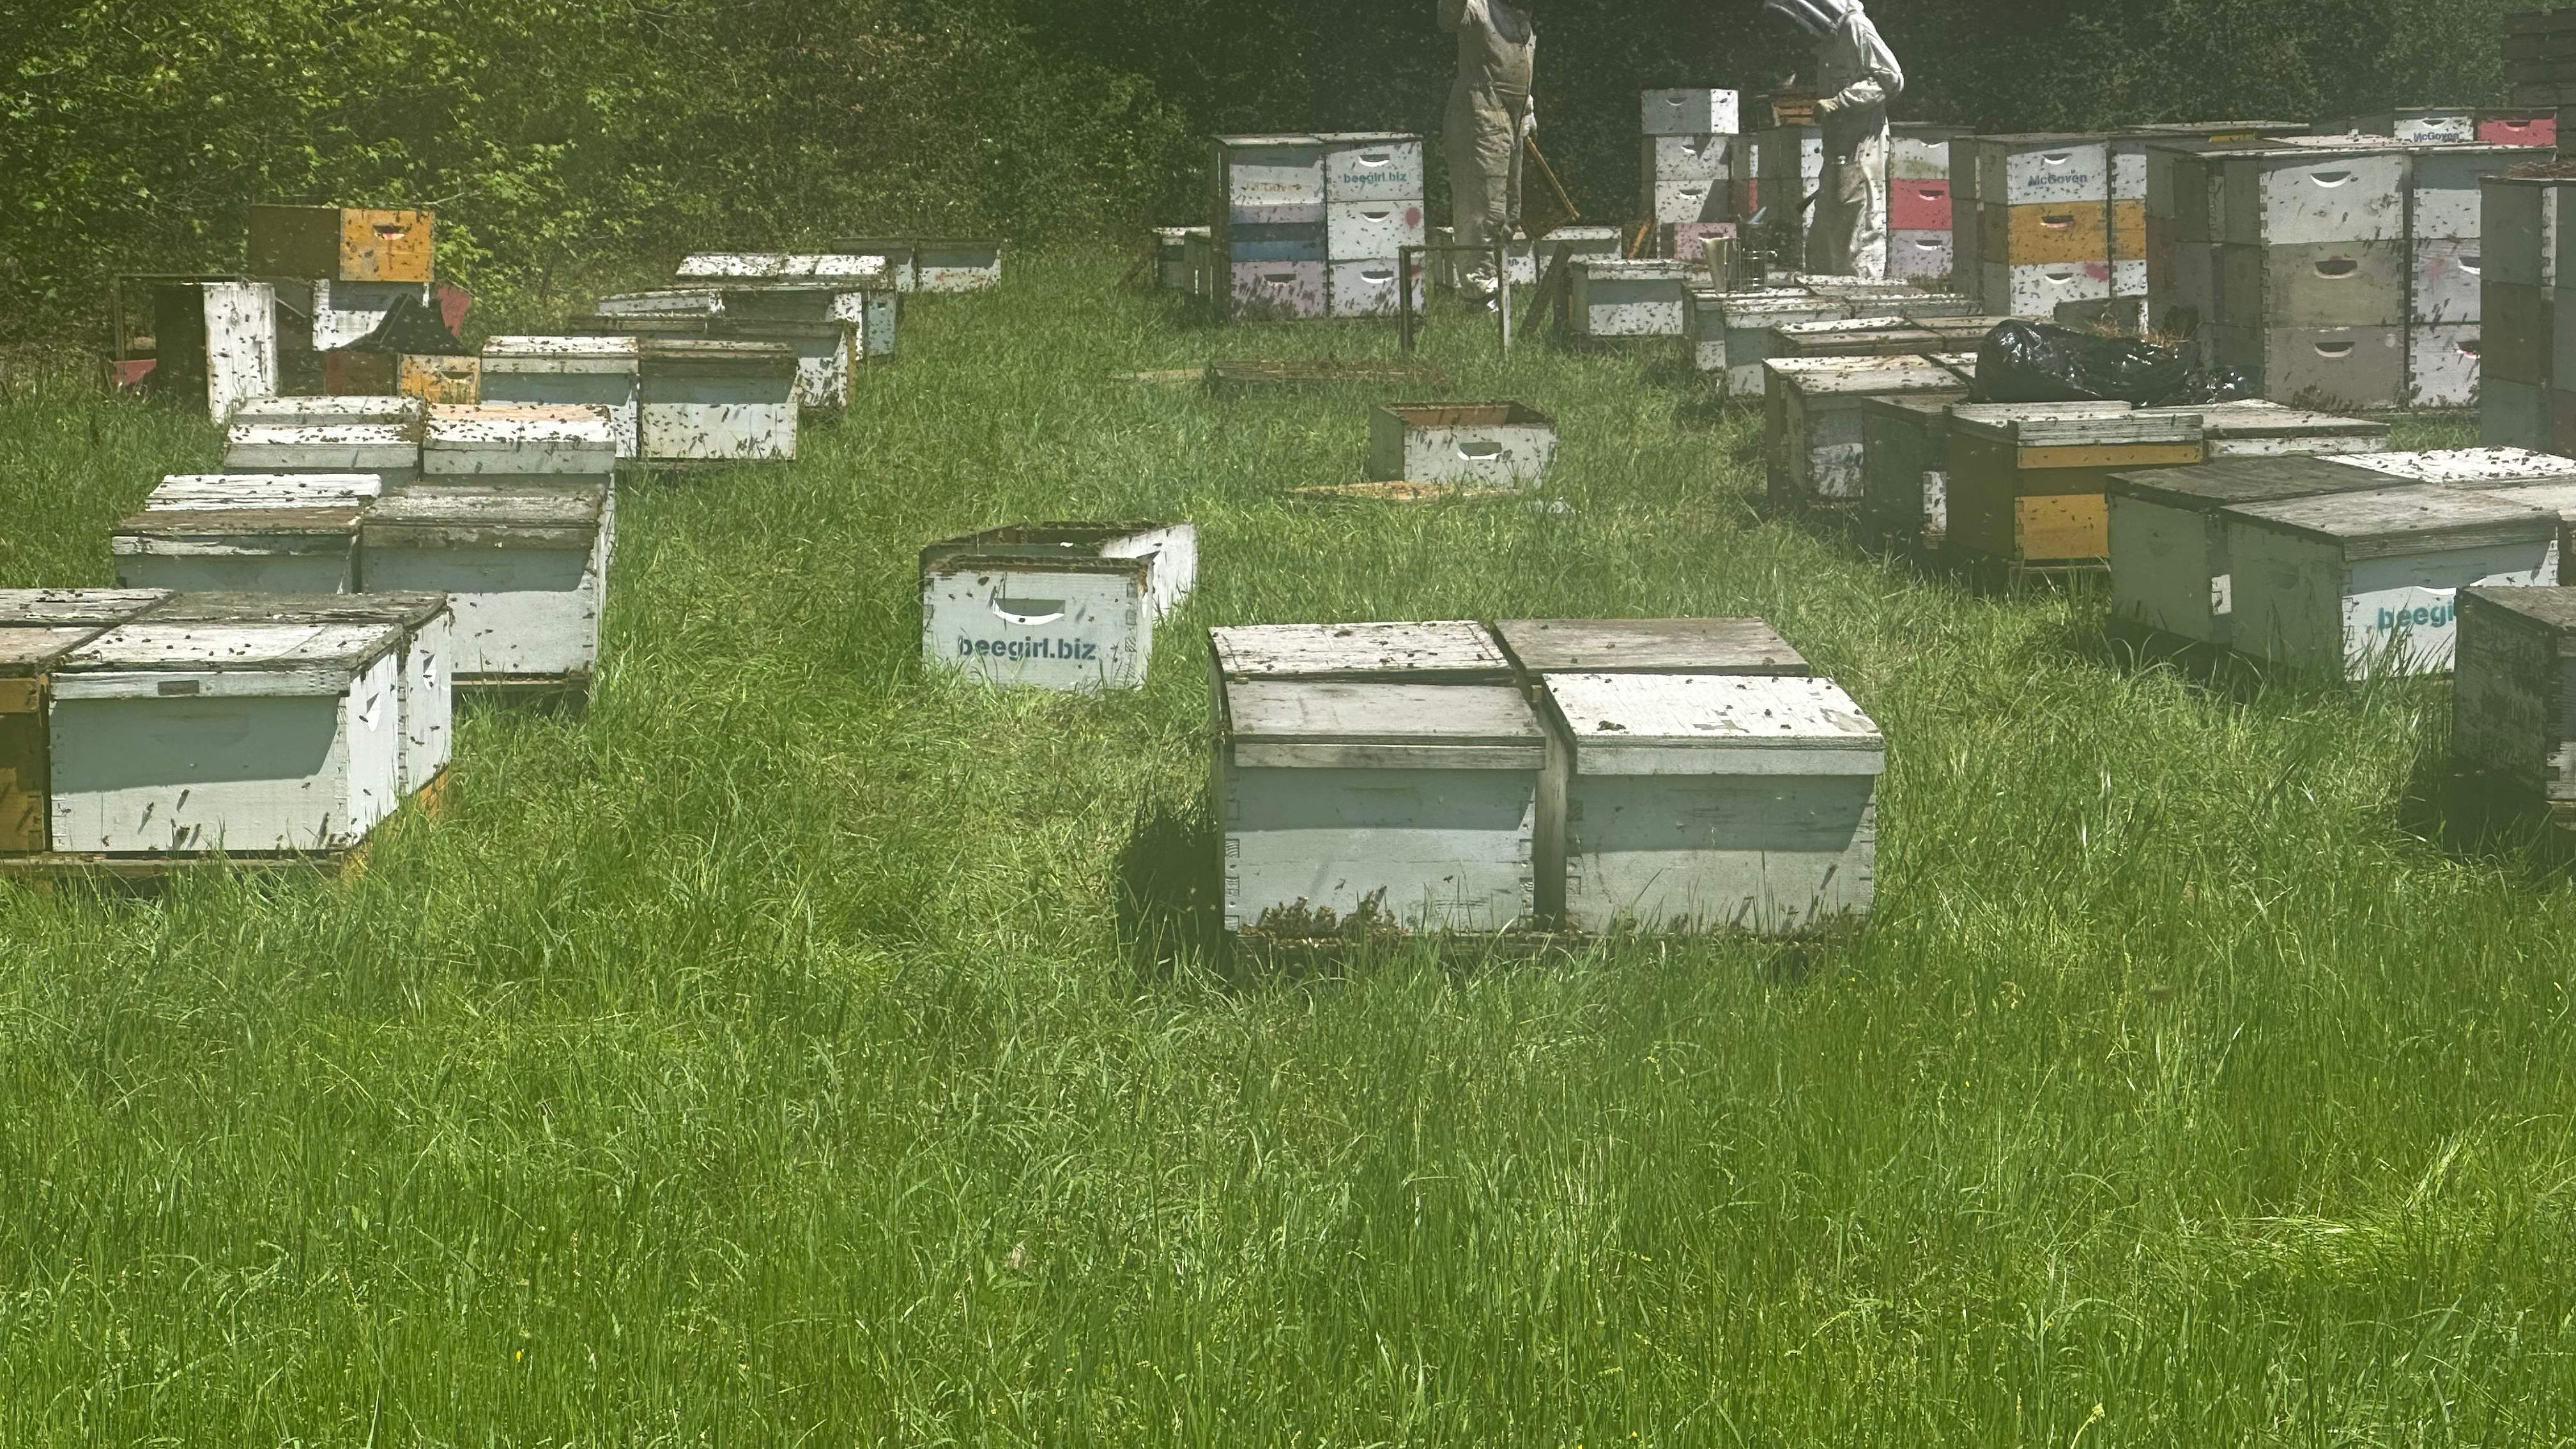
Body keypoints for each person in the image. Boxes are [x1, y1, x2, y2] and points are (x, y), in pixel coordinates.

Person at [1768, 0, 1903, 279]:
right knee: (1828, 221)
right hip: (1839, 144)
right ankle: (1828, 293)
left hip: (1864, 143)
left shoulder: (1857, 26)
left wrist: (1840, 102)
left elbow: (1891, 79)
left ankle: (1863, 294)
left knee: (1858, 220)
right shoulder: (1829, 42)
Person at [1441, 0, 1538, 305]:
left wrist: (1529, 110)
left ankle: (1495, 287)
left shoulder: (1523, 22)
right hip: (1479, 118)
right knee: (1483, 211)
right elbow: (1448, 17)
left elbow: (1519, 72)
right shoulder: (1477, 9)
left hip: (1511, 120)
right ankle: (1478, 295)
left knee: (1510, 211)